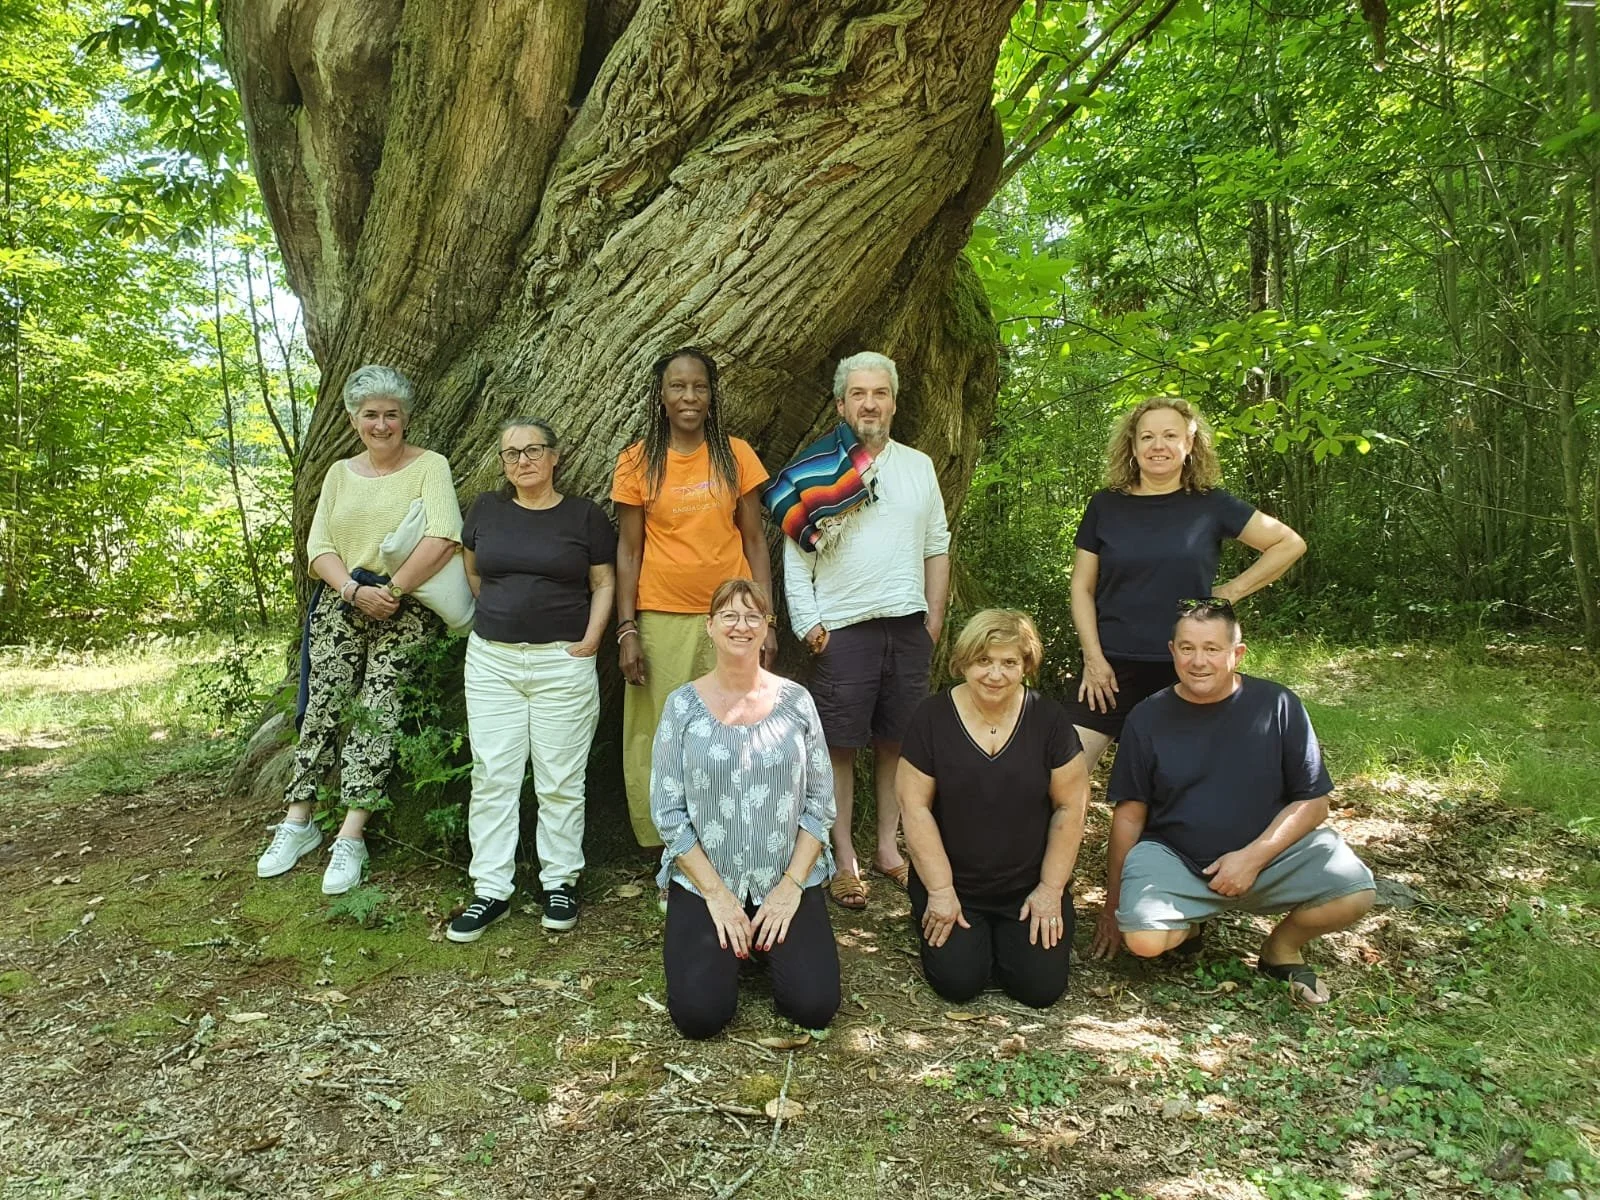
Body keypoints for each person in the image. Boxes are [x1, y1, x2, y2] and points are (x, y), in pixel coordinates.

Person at [1089, 599, 1376, 1006]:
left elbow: (1314, 803)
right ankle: (1190, 926)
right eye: (1187, 648)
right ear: (1172, 651)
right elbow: (1130, 816)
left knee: (1356, 889)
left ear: (1236, 653)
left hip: (1267, 856)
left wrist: (1254, 856)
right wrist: (1112, 904)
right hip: (1176, 859)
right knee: (1144, 939)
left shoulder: (1277, 704)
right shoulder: (1146, 718)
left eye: (1212, 649)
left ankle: (1280, 950)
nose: (1198, 661)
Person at [256, 365, 462, 894]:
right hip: (341, 598)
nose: (382, 424)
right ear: (354, 420)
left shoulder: (429, 466)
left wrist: (390, 592)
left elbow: (443, 536)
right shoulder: (339, 473)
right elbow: (318, 546)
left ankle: (351, 834)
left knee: (377, 709)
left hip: (405, 604)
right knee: (322, 705)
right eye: (370, 414)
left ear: (406, 418)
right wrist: (351, 590)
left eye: (391, 414)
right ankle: (298, 821)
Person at [781, 351, 950, 911]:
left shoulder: (919, 466)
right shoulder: (814, 471)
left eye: (880, 393)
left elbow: (936, 547)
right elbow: (795, 559)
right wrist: (811, 626)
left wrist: (932, 621)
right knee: (840, 747)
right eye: (859, 394)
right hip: (843, 632)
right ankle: (844, 857)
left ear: (894, 403)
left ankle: (888, 849)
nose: (870, 403)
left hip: (906, 628)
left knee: (897, 744)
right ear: (841, 403)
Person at [1067, 396, 1305, 774]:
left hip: (1189, 664)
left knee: (1186, 776)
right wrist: (1093, 659)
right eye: (1146, 437)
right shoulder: (1105, 505)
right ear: (1132, 445)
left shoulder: (1212, 505)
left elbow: (1288, 543)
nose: (1157, 446)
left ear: (1189, 444)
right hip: (1111, 667)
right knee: (1067, 771)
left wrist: (1230, 592)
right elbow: (1082, 587)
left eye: (1169, 435)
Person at [446, 418, 617, 943]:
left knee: (560, 779)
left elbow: (604, 581)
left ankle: (559, 881)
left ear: (555, 455)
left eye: (534, 450)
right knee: (493, 774)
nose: (523, 461)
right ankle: (490, 889)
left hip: (561, 663)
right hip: (493, 661)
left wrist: (590, 641)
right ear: (502, 462)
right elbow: (473, 572)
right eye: (512, 453)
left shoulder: (583, 516)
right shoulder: (486, 510)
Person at [651, 579, 840, 1039]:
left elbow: (820, 803)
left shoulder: (797, 702)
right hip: (707, 880)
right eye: (730, 616)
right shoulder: (681, 708)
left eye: (753, 615)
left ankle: (762, 940)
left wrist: (791, 887)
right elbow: (669, 813)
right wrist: (716, 895)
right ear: (710, 626)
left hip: (785, 876)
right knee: (699, 1016)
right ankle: (735, 940)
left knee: (813, 1007)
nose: (742, 625)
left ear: (766, 628)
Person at [612, 348, 775, 855]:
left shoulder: (735, 454)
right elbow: (628, 549)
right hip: (661, 614)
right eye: (677, 386)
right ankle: (671, 850)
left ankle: (728, 843)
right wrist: (627, 629)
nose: (689, 396)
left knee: (734, 728)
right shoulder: (637, 461)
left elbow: (753, 541)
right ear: (661, 397)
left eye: (699, 387)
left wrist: (764, 619)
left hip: (732, 618)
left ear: (711, 395)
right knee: (660, 735)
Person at [899, 610, 1089, 1008]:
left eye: (1009, 662)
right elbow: (914, 808)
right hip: (955, 886)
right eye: (984, 660)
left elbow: (1071, 807)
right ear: (965, 660)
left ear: (1026, 665)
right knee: (959, 983)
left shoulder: (1049, 719)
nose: (995, 674)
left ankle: (1006, 938)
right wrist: (940, 891)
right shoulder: (930, 717)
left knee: (1039, 989)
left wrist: (1051, 890)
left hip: (1028, 886)